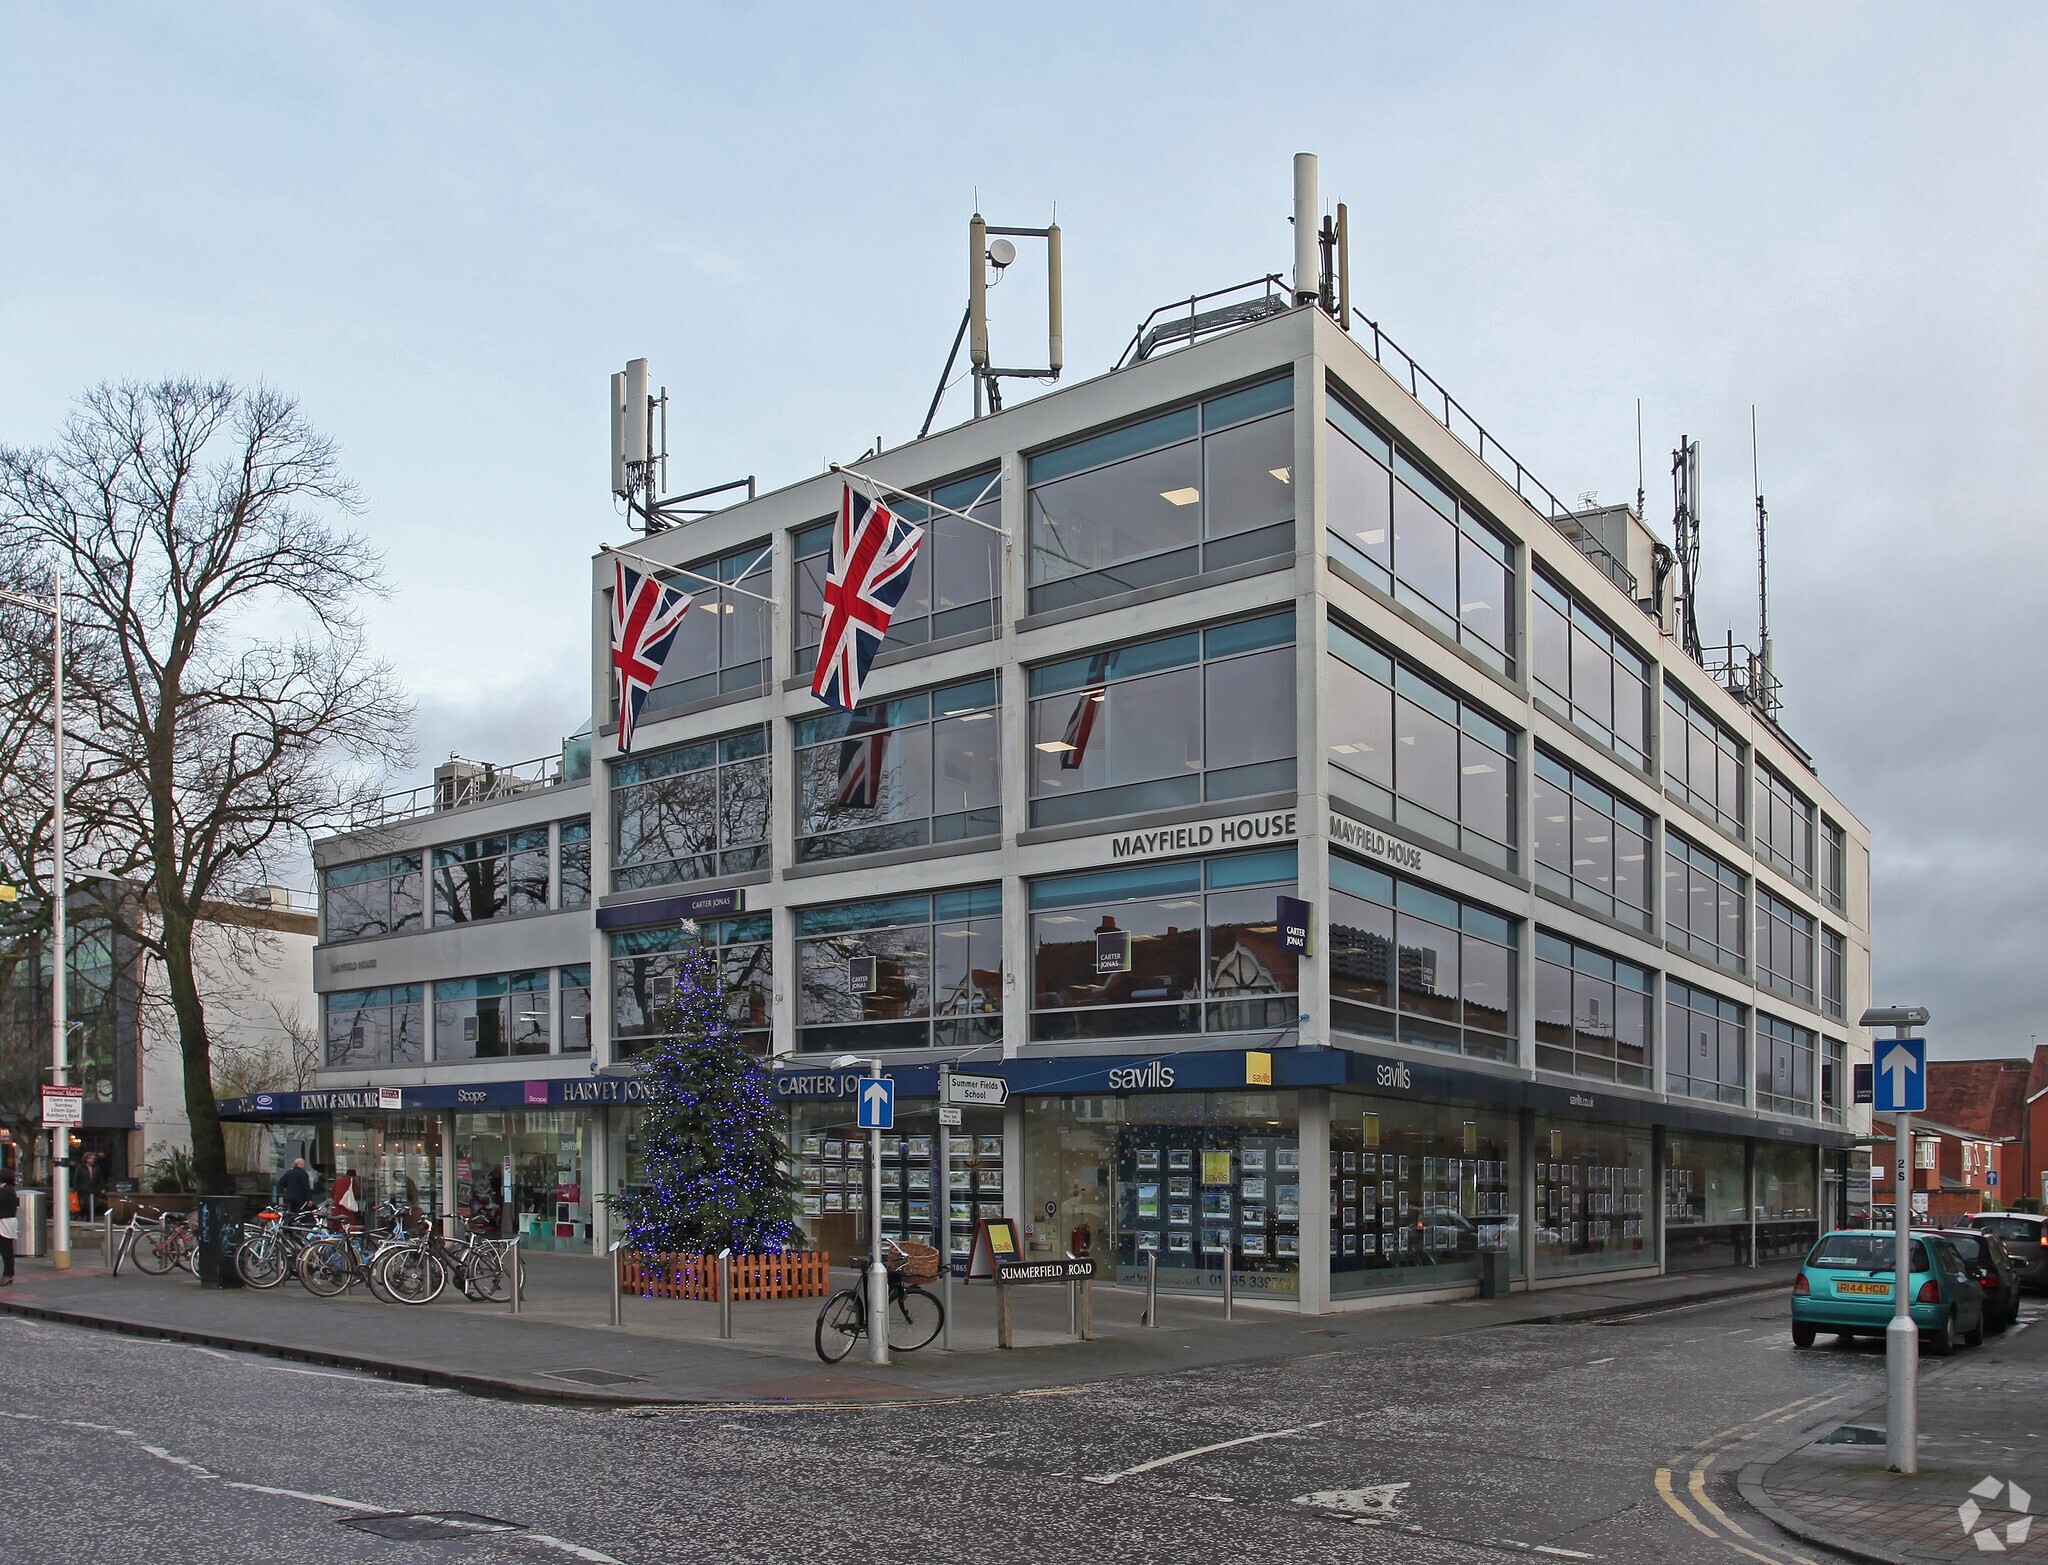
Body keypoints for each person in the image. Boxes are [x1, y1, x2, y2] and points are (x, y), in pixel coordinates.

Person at [0, 1170, 18, 1286]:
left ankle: (8, 1274)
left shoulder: (5, 1191)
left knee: (5, 1249)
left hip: (4, 1221)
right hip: (9, 1221)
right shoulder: (10, 1189)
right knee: (7, 1249)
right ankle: (9, 1274)